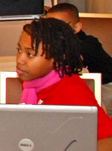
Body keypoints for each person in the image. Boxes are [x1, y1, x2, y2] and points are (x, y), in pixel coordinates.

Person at [15, 18, 112, 146]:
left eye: (31, 54)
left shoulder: (73, 93)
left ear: (59, 57)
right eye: (19, 50)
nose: (19, 59)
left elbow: (107, 140)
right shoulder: (33, 84)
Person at [46, 3, 112, 111]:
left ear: (76, 28)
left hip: (104, 85)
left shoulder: (87, 45)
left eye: (60, 27)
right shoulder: (50, 44)